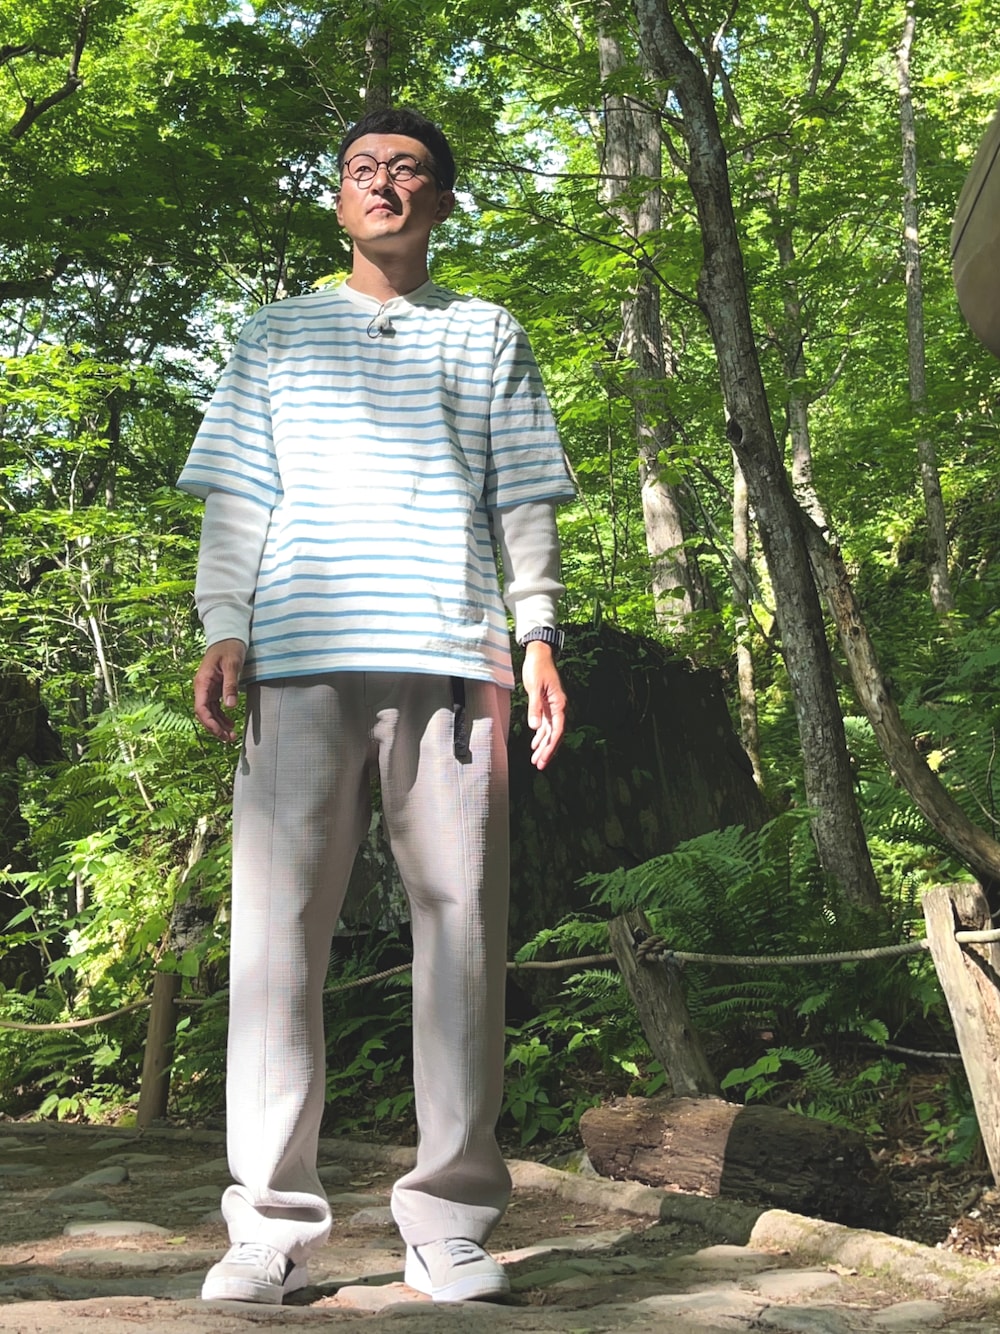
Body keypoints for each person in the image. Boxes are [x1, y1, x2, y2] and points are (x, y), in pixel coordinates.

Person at [178, 106, 575, 1307]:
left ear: (440, 200)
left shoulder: (487, 331)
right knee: (274, 945)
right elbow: (238, 498)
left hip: (452, 656)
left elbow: (521, 498)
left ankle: (448, 1220)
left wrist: (539, 633)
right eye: (362, 169)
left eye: (407, 171)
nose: (383, 185)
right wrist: (223, 624)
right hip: (297, 660)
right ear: (340, 196)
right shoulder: (274, 335)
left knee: (461, 938)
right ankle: (268, 1226)